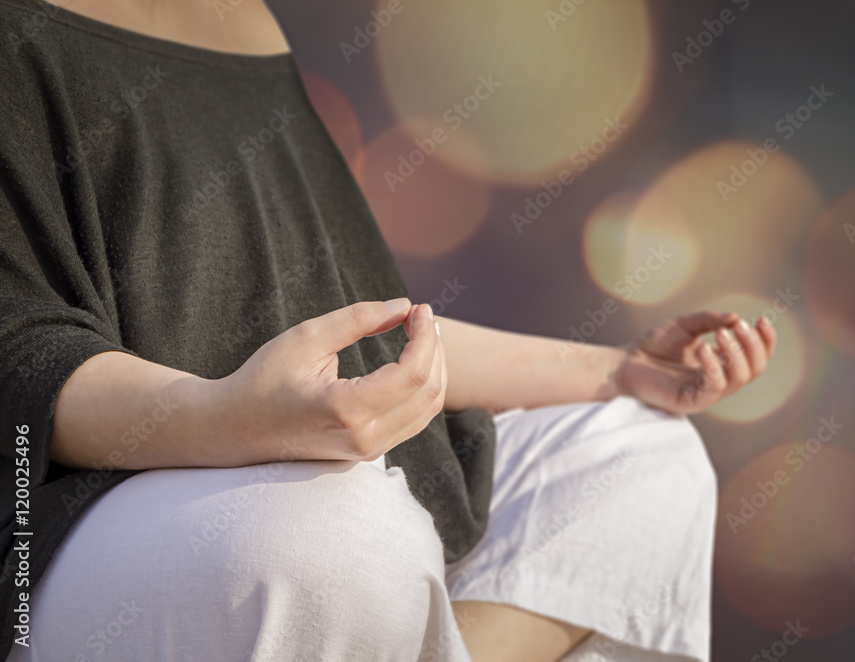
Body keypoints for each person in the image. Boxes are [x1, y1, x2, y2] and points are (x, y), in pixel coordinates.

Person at [0, 1, 775, 660]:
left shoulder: (245, 18)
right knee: (343, 541)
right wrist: (225, 419)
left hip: (304, 482)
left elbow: (362, 322)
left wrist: (621, 369)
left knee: (646, 452)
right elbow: (22, 357)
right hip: (71, 520)